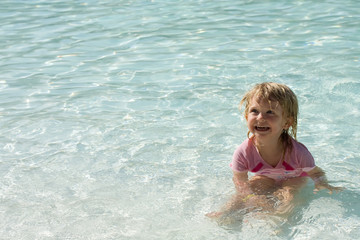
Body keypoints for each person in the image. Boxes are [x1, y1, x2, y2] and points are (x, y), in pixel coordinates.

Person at [207, 82, 343, 219]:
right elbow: (240, 182)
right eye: (254, 111)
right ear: (247, 116)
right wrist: (250, 197)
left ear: (286, 122)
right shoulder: (243, 152)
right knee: (248, 190)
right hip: (265, 177)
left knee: (289, 193)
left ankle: (278, 219)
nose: (260, 117)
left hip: (294, 178)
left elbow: (316, 172)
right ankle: (226, 214)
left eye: (270, 112)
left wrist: (322, 184)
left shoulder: (298, 152)